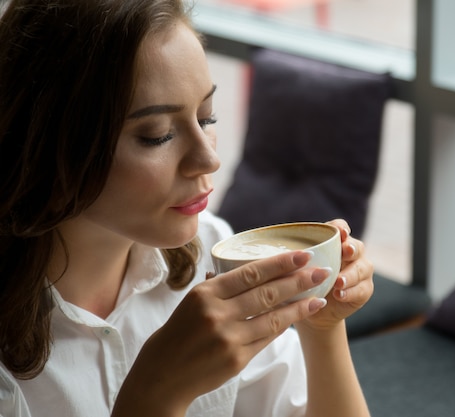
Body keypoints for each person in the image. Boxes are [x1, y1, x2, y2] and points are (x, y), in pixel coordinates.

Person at [0, 0, 374, 416]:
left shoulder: (213, 250)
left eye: (207, 117)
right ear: (50, 150)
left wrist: (321, 329)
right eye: (157, 135)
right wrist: (154, 396)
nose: (209, 160)